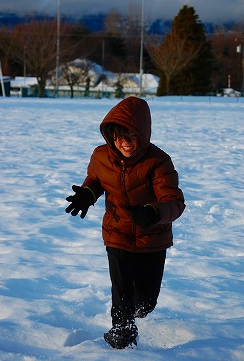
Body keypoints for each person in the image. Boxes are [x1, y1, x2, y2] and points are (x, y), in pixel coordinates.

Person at [65, 96, 185, 349]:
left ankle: (135, 313)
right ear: (111, 135)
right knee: (121, 291)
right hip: (117, 233)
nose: (124, 143)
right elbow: (96, 180)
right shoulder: (101, 156)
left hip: (152, 238)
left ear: (143, 134)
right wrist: (87, 194)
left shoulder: (158, 162)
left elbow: (174, 201)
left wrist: (153, 212)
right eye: (119, 136)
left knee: (146, 302)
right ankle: (121, 333)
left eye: (131, 136)